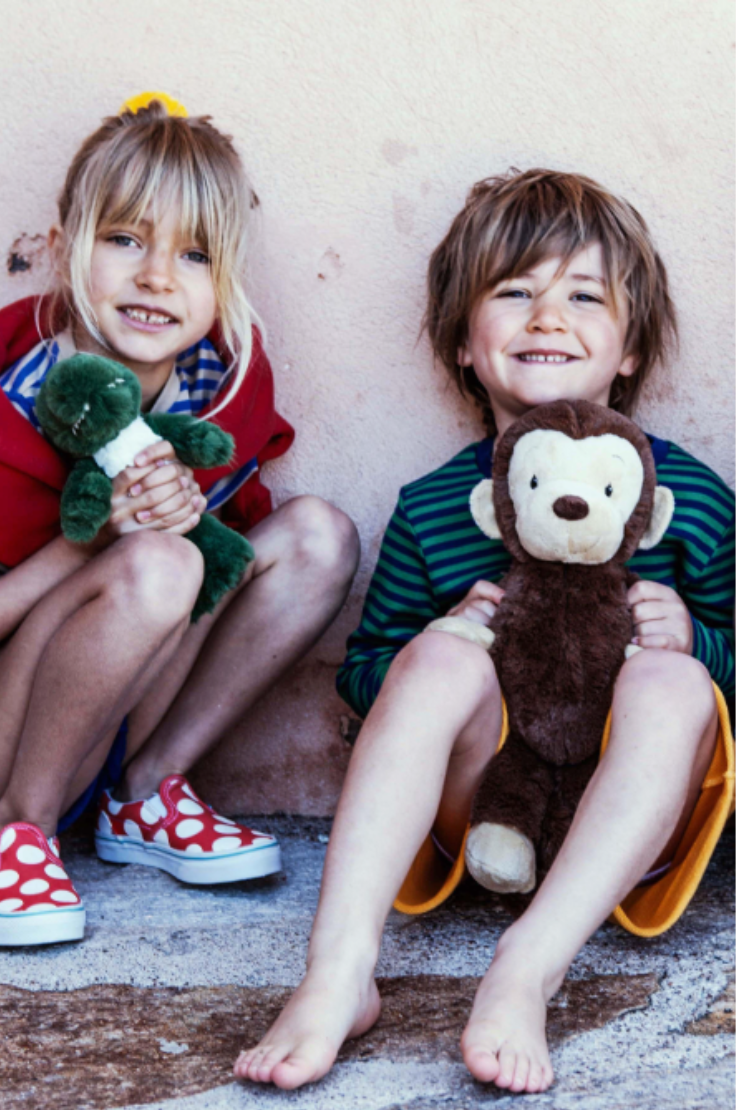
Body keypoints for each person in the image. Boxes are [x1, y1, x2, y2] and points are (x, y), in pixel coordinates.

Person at [234, 169, 734, 1094]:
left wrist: (699, 646)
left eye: (584, 295)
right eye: (514, 293)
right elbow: (363, 672)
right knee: (429, 658)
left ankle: (526, 968)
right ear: (466, 343)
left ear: (630, 350)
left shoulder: (692, 500)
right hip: (485, 816)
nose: (548, 317)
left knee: (669, 682)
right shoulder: (432, 510)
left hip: (636, 826)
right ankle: (338, 972)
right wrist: (453, 635)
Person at [0, 95, 359, 948]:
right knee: (160, 566)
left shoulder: (212, 380)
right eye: (124, 240)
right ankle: (17, 835)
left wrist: (182, 513)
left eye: (194, 255)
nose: (156, 277)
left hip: (122, 690)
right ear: (64, 247)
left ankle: (144, 791)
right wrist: (94, 541)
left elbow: (214, 553)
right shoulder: (12, 402)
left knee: (318, 537)